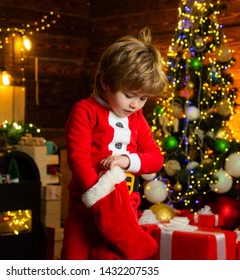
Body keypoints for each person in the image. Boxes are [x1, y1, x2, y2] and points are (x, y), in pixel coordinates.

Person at [61, 27, 168, 260]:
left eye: (143, 98)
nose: (135, 105)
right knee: (75, 257)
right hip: (87, 206)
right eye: (129, 95)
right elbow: (78, 159)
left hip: (125, 207)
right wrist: (100, 198)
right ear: (106, 82)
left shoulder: (137, 119)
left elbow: (155, 159)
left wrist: (127, 160)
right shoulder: (85, 111)